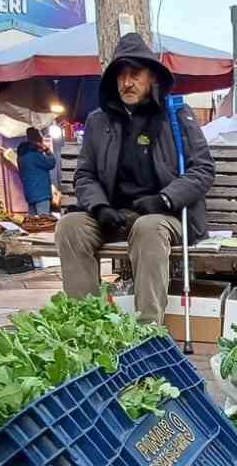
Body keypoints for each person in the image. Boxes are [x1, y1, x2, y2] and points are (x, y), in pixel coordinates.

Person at [55, 33, 214, 325]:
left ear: (151, 76)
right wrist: (99, 206)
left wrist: (164, 198)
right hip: (113, 216)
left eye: (135, 74)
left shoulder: (176, 114)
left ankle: (147, 329)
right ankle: (86, 325)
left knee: (147, 227)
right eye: (121, 75)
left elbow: (202, 169)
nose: (127, 82)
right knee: (70, 226)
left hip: (163, 215)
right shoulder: (98, 120)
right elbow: (85, 174)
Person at [16, 126, 57, 215]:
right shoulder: (34, 155)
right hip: (41, 194)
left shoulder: (21, 156)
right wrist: (47, 151)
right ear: (38, 140)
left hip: (29, 194)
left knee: (33, 221)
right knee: (44, 220)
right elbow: (51, 163)